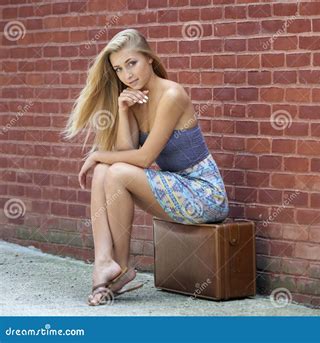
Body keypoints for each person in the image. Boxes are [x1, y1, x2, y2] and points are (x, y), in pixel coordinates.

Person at [61, 28, 229, 306]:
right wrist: (124, 109)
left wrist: (95, 155)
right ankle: (106, 262)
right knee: (106, 171)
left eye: (132, 63)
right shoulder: (134, 98)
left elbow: (143, 158)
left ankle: (122, 268)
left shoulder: (172, 95)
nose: (127, 74)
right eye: (118, 69)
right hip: (173, 189)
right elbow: (126, 153)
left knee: (107, 166)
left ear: (149, 59)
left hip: (204, 194)